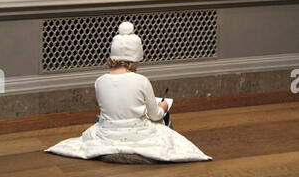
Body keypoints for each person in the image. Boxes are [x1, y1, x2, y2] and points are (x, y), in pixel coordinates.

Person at [45, 21, 212, 163]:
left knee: (97, 121)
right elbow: (155, 116)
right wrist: (162, 106)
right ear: (136, 58)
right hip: (138, 133)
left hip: (107, 133)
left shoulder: (100, 81)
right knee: (165, 129)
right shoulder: (141, 81)